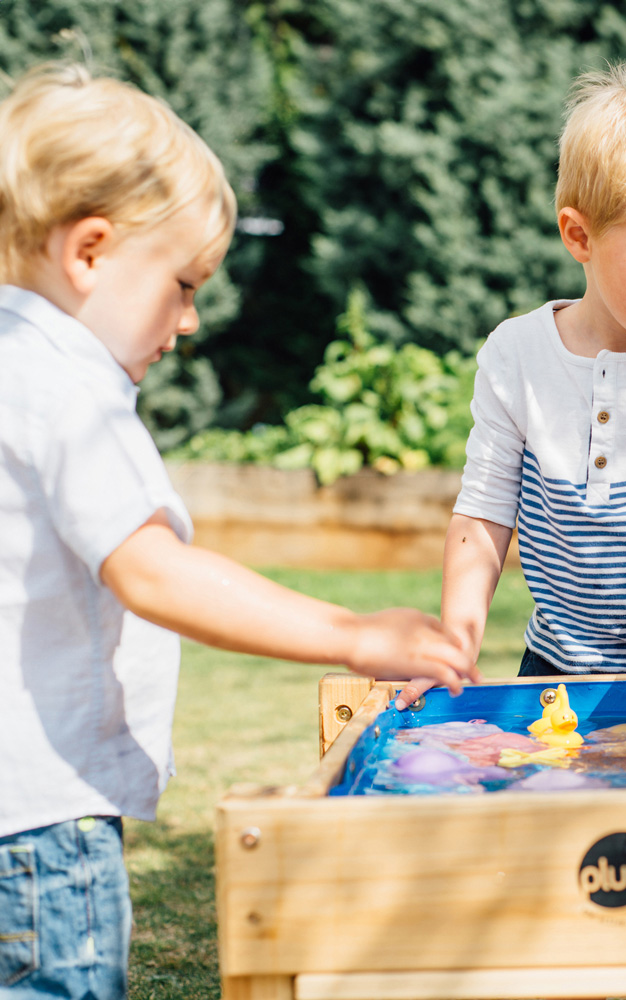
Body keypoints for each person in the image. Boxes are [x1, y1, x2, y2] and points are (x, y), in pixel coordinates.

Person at [0, 62, 479, 999]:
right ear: (89, 252)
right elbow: (155, 573)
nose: (186, 322)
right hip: (40, 830)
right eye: (182, 284)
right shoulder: (70, 392)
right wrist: (353, 634)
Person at [397, 60, 626, 726]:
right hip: (558, 671)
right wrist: (457, 636)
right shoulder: (517, 356)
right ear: (579, 235)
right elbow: (483, 516)